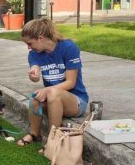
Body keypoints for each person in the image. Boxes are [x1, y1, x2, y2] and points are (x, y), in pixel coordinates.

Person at [16, 18, 89, 153]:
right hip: (52, 98)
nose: (28, 47)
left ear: (40, 38)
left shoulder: (68, 48)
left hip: (77, 101)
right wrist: (34, 75)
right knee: (34, 97)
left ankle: (54, 140)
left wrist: (47, 90)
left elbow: (71, 82)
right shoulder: (34, 54)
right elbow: (35, 68)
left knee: (52, 93)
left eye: (30, 43)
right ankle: (34, 134)